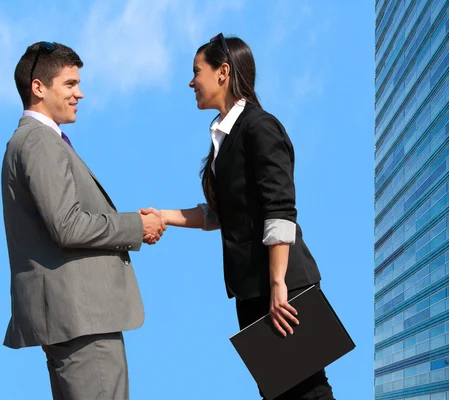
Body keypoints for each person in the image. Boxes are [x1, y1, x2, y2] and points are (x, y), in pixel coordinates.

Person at [141, 33, 335, 399]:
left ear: (222, 72)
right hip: (252, 291)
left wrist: (279, 286)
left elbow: (280, 209)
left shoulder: (258, 127)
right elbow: (220, 214)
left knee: (308, 391)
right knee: (279, 393)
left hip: (281, 286)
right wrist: (164, 216)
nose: (191, 81)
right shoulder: (224, 139)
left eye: (196, 71)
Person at [1, 41, 166, 400]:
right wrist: (135, 227)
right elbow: (67, 224)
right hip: (82, 320)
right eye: (70, 84)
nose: (81, 93)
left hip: (74, 320)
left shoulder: (32, 141)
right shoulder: (39, 142)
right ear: (39, 88)